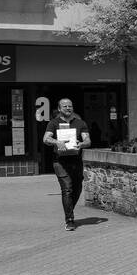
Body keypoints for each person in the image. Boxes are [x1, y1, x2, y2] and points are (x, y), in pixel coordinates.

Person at [43, 98, 92, 231]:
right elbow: (46, 139)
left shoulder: (80, 123)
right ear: (59, 109)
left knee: (77, 188)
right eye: (64, 106)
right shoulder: (53, 123)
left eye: (70, 106)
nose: (68, 108)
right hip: (60, 161)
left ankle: (69, 208)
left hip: (76, 160)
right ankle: (69, 220)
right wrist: (57, 142)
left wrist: (81, 144)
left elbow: (87, 140)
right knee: (67, 189)